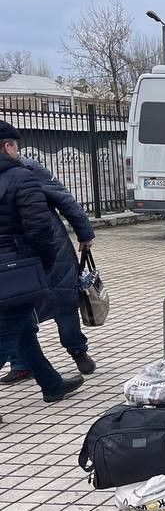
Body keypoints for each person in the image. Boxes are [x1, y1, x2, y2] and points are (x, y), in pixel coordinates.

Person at [0, 122, 84, 401]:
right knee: (7, 334)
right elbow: (39, 229)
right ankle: (56, 376)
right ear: (8, 146)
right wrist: (45, 263)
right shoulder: (22, 177)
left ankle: (51, 384)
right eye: (16, 145)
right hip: (17, 270)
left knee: (22, 327)